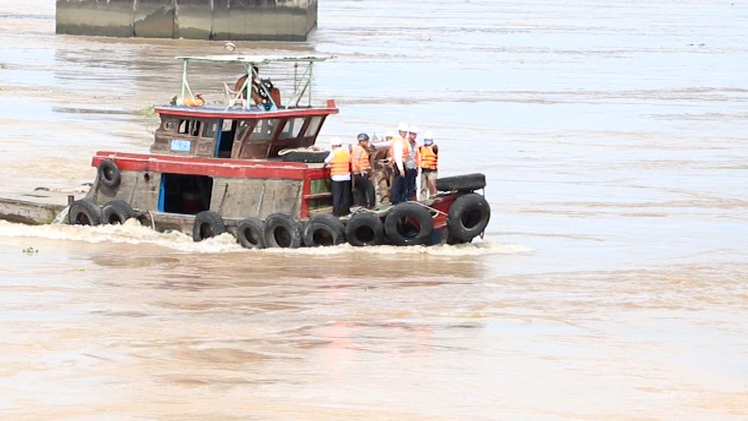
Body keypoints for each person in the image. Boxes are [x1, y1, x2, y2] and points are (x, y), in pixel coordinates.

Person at [324, 138, 352, 216]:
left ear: (334, 145)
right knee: (345, 196)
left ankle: (336, 212)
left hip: (337, 177)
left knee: (337, 196)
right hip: (346, 177)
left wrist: (325, 166)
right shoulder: (346, 152)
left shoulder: (334, 152)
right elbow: (350, 160)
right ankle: (346, 211)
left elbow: (326, 161)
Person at [351, 133, 375, 209]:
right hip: (360, 173)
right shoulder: (359, 149)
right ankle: (371, 205)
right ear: (361, 141)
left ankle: (361, 205)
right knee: (370, 188)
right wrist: (361, 170)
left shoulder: (357, 149)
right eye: (366, 141)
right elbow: (356, 161)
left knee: (360, 190)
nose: (367, 143)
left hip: (356, 173)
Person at [371, 131, 394, 204]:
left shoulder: (391, 147)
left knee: (391, 185)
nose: (389, 139)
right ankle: (385, 201)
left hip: (389, 169)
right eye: (388, 138)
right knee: (383, 186)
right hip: (380, 170)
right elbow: (373, 159)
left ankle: (391, 200)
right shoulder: (380, 147)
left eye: (390, 138)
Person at [389, 133, 409, 204]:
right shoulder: (398, 141)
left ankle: (399, 199)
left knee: (401, 183)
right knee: (397, 183)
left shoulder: (400, 140)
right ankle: (395, 200)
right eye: (404, 132)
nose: (405, 134)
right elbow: (398, 156)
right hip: (398, 164)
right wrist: (401, 169)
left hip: (401, 163)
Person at [418, 130, 439, 200]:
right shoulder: (421, 148)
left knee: (432, 186)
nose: (427, 141)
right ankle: (422, 200)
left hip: (432, 170)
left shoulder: (434, 147)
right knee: (423, 187)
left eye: (428, 140)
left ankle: (433, 199)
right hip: (424, 170)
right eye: (426, 139)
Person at [403, 125, 420, 202]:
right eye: (412, 134)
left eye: (415, 134)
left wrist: (417, 167)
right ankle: (404, 199)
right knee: (404, 184)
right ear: (409, 134)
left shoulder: (416, 144)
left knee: (412, 184)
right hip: (406, 166)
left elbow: (417, 156)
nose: (414, 136)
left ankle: (410, 199)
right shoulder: (405, 142)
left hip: (413, 166)